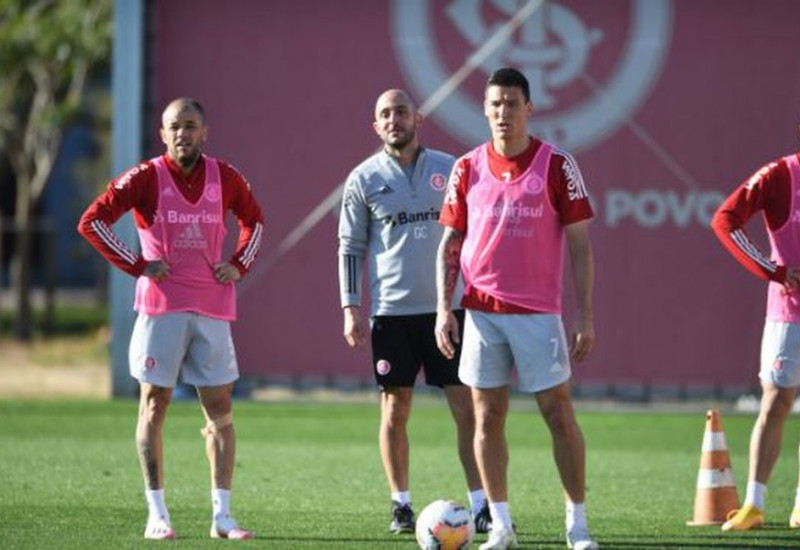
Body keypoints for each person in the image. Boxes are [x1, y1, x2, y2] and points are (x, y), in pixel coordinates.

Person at [78, 98, 264, 540]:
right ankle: (156, 513)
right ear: (162, 134)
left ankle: (222, 517)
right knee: (154, 405)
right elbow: (92, 221)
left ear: (205, 132)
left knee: (220, 412)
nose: (182, 133)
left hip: (213, 309)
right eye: (174, 127)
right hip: (161, 310)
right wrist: (138, 263)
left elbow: (254, 223)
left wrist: (238, 264)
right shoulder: (146, 177)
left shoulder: (227, 176)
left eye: (191, 125)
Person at [435, 68, 599, 550]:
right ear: (484, 110)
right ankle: (501, 526)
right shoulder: (467, 168)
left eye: (512, 103)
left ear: (529, 108)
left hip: (537, 314)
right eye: (495, 105)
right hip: (481, 312)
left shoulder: (556, 165)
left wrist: (585, 316)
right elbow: (449, 244)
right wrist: (444, 309)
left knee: (559, 414)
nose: (503, 113)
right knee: (486, 419)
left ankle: (578, 524)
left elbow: (581, 247)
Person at [338, 89, 487, 534]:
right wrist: (351, 307)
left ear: (417, 118)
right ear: (376, 125)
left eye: (401, 111)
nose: (394, 119)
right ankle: (401, 504)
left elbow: (478, 232)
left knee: (468, 408)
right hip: (392, 313)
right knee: (394, 408)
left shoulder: (451, 168)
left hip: (448, 311)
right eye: (385, 114)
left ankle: (482, 504)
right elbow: (350, 247)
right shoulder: (363, 179)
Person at [711, 142, 800, 532]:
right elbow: (725, 219)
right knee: (776, 402)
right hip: (790, 315)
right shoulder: (781, 174)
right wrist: (775, 271)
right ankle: (754, 504)